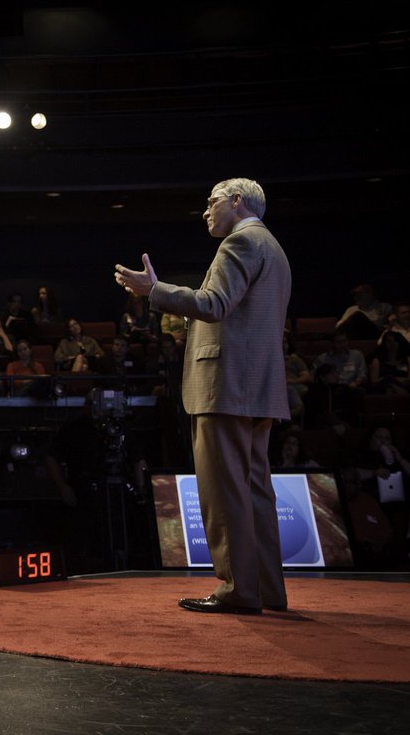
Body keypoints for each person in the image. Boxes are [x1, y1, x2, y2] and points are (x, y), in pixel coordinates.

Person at [114, 177, 290, 614]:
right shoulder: (274, 248)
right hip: (256, 386)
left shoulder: (239, 243)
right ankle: (267, 589)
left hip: (226, 387)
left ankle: (237, 590)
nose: (206, 211)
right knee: (254, 492)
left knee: (225, 492)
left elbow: (214, 304)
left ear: (236, 201)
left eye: (211, 202)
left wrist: (154, 291)